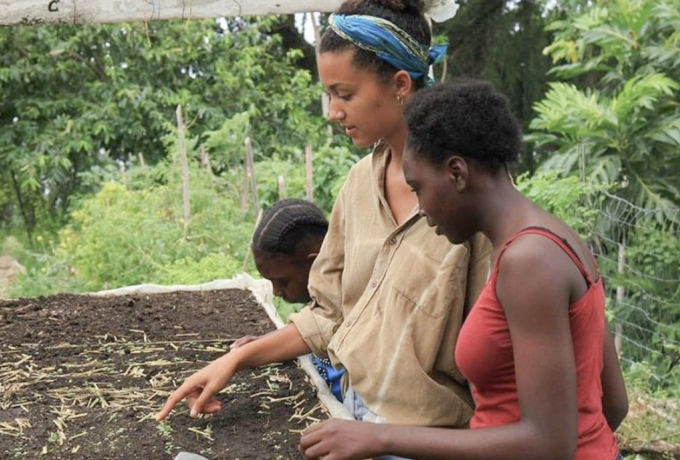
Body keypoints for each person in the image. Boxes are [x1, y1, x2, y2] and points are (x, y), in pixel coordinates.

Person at [157, 2, 492, 458]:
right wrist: (236, 359)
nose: (333, 112)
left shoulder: (466, 199)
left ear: (399, 85)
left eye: (344, 94)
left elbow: (497, 365)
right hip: (350, 418)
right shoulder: (358, 186)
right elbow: (330, 314)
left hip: (429, 443)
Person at [298, 80, 629, 460]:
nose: (421, 209)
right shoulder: (556, 237)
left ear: (456, 173)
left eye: (419, 188)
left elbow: (549, 443)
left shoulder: (528, 263)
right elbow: (613, 403)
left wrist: (381, 438)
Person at [230, 199, 345, 402]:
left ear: (314, 262)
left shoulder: (353, 306)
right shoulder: (327, 299)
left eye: (282, 282)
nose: (275, 292)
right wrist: (270, 345)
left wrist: (240, 358)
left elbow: (323, 329)